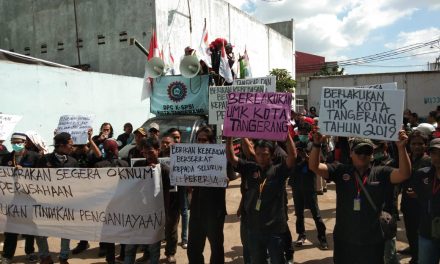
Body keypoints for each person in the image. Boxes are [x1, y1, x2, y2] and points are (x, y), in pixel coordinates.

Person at [309, 131, 411, 264]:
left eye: (367, 151)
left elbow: (404, 174)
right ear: (351, 153)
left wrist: (401, 148)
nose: (362, 155)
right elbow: (314, 166)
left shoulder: (381, 172)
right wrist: (317, 144)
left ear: (372, 155)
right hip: (344, 238)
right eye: (359, 151)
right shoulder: (341, 170)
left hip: (372, 239)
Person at [226, 132, 296, 264]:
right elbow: (231, 157)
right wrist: (229, 136)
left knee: (277, 260)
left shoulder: (278, 171)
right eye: (258, 154)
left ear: (272, 155)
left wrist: (287, 136)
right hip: (254, 229)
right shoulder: (250, 168)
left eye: (265, 155)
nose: (261, 158)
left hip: (275, 231)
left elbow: (292, 157)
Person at [187, 126, 234, 264]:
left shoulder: (222, 157)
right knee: (193, 249)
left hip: (215, 211)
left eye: (204, 140)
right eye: (198, 140)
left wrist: (225, 179)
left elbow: (230, 178)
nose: (201, 143)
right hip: (196, 210)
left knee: (216, 247)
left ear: (211, 142)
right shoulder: (191, 158)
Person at [124, 137, 170, 264]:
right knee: (130, 247)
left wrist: (164, 215)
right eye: (144, 153)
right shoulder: (138, 166)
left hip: (154, 215)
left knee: (154, 249)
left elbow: (166, 195)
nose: (147, 155)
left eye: (150, 152)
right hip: (136, 214)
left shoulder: (164, 170)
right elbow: (130, 189)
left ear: (158, 150)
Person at [35, 132, 78, 264]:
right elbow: (34, 179)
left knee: (66, 230)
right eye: (71, 144)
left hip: (66, 203)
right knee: (40, 230)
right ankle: (45, 256)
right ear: (61, 146)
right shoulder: (44, 160)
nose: (73, 146)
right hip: (45, 203)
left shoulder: (73, 162)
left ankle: (63, 257)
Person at [0, 133, 39, 264]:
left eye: (18, 142)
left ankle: (30, 252)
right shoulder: (6, 157)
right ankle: (7, 255)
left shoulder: (35, 157)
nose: (15, 144)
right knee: (11, 228)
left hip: (29, 198)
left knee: (29, 228)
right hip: (11, 199)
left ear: (25, 142)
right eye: (13, 142)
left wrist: (25, 172)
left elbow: (42, 176)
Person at [288, 123, 327, 250]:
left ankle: (322, 237)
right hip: (296, 183)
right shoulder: (294, 144)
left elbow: (320, 162)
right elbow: (287, 159)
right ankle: (301, 235)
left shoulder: (314, 145)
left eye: (305, 132)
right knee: (299, 213)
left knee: (316, 213)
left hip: (309, 184)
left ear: (309, 133)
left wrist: (306, 157)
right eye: (301, 131)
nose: (302, 134)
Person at [399, 131, 432, 263]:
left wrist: (420, 193)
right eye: (413, 143)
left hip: (423, 204)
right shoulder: (405, 158)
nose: (417, 146)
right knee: (410, 230)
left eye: (420, 144)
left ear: (426, 145)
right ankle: (413, 250)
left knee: (421, 233)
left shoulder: (429, 161)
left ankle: (417, 258)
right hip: (408, 202)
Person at [95, 139, 129, 264]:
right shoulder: (124, 164)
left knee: (109, 232)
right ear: (115, 150)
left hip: (106, 205)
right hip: (122, 203)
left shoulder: (99, 166)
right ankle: (124, 255)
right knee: (124, 230)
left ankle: (110, 259)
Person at [409, 138, 440, 263]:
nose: (437, 157)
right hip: (427, 230)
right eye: (434, 153)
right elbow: (414, 193)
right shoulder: (422, 174)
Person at [167, 128, 189, 249]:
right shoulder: (164, 151)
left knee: (184, 211)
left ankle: (184, 238)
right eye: (173, 137)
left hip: (181, 186)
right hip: (168, 187)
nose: (176, 139)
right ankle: (168, 235)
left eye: (177, 137)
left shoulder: (185, 151)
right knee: (170, 212)